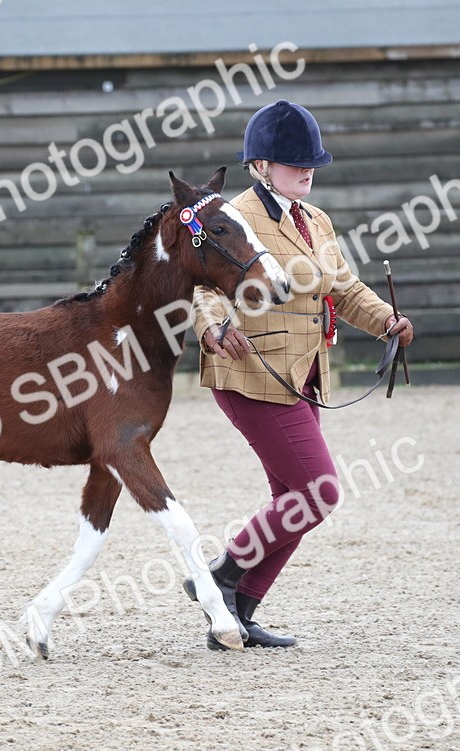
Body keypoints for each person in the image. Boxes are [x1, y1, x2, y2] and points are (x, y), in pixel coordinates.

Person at [185, 99, 415, 650]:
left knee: (294, 500)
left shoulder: (316, 220)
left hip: (304, 374)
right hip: (250, 370)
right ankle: (218, 576)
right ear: (260, 166)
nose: (307, 170)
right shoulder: (235, 214)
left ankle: (236, 616)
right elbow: (203, 286)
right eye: (294, 162)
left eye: (311, 161)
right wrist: (214, 328)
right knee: (320, 492)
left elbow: (343, 287)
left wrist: (387, 320)